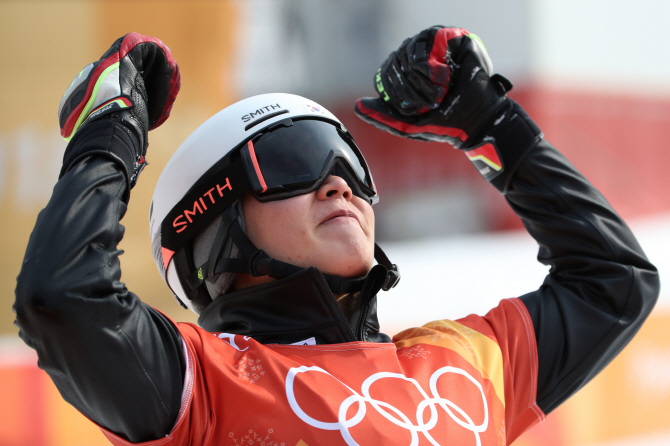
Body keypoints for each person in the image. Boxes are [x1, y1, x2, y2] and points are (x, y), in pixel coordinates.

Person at [13, 27, 658, 446]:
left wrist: (489, 121)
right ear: (215, 230)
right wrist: (108, 135)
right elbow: (64, 298)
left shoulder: (466, 358)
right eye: (295, 162)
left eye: (348, 163)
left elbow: (618, 282)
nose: (337, 184)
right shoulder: (201, 387)